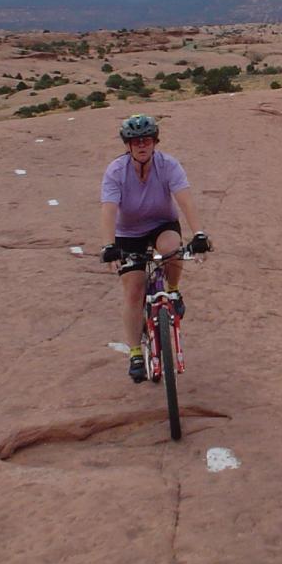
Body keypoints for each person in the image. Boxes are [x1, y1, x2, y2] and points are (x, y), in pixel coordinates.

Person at [99, 113, 211, 383]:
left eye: (147, 140)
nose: (142, 145)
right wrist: (109, 245)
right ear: (127, 145)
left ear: (154, 142)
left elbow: (184, 200)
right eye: (136, 141)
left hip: (161, 224)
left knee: (172, 248)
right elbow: (109, 210)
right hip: (129, 234)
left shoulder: (168, 165)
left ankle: (172, 292)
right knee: (134, 289)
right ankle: (136, 352)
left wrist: (199, 234)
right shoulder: (116, 171)